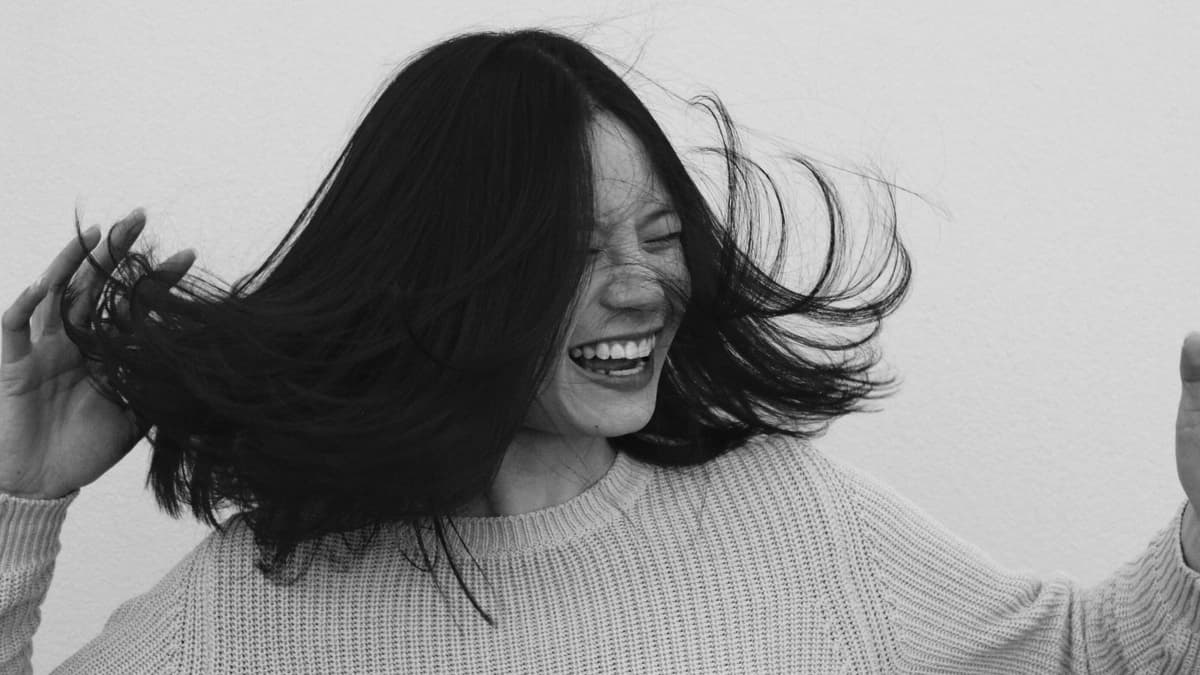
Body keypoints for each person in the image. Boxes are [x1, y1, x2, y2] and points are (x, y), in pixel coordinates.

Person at [2, 27, 1200, 674]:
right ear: (442, 281)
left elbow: (1089, 658)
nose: (643, 287)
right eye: (571, 251)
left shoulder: (786, 520)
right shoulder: (254, 611)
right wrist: (19, 501)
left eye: (662, 232)